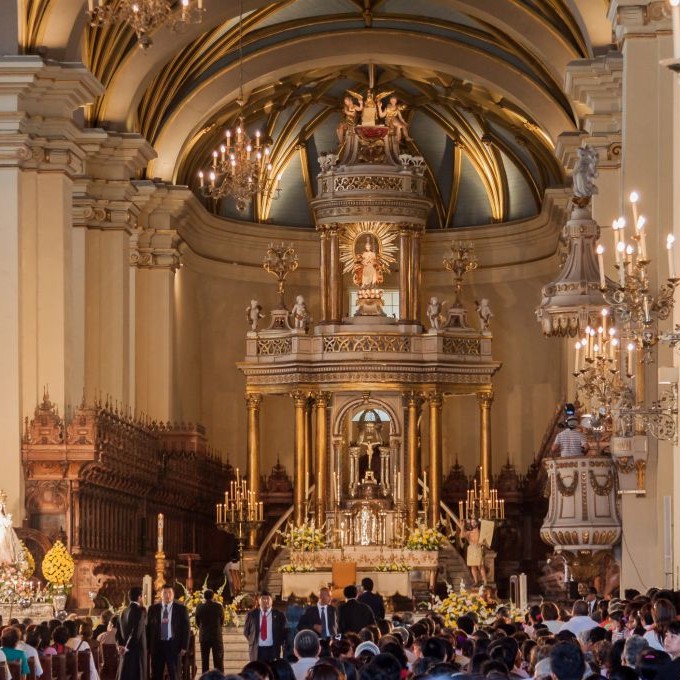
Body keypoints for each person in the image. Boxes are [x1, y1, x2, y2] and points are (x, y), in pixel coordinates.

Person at [147, 584, 191, 680]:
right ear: (161, 594)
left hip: (174, 646)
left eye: (170, 593)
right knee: (156, 675)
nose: (167, 595)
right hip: (157, 646)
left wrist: (184, 646)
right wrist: (148, 646)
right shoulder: (153, 609)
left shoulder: (181, 609)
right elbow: (148, 628)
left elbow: (186, 629)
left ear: (173, 594)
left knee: (175, 674)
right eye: (165, 593)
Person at [243, 591, 287, 662]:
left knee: (272, 671)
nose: (265, 601)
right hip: (257, 650)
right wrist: (253, 641)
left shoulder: (279, 615)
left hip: (272, 650)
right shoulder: (251, 615)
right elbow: (246, 631)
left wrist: (278, 642)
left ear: (272, 601)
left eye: (268, 598)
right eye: (263, 598)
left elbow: (283, 632)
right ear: (259, 601)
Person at [116, 586, 147, 680]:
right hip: (136, 651)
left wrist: (120, 646)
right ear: (139, 597)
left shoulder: (122, 612)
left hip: (124, 652)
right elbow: (136, 633)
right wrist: (127, 647)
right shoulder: (140, 611)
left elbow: (118, 633)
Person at [195, 589, 225, 674]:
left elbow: (197, 621)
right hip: (216, 636)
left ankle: (205, 677)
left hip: (204, 637)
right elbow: (222, 621)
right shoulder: (218, 606)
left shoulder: (199, 607)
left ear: (204, 597)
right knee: (218, 660)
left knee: (205, 661)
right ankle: (219, 677)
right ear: (213, 596)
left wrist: (202, 628)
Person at [462, 519, 487, 586]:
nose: (473, 523)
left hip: (478, 548)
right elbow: (462, 535)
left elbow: (484, 541)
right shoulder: (469, 532)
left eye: (474, 522)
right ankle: (476, 581)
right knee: (473, 566)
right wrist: (463, 526)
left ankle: (485, 581)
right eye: (471, 522)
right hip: (471, 549)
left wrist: (482, 544)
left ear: (477, 523)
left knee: (480, 566)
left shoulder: (480, 531)